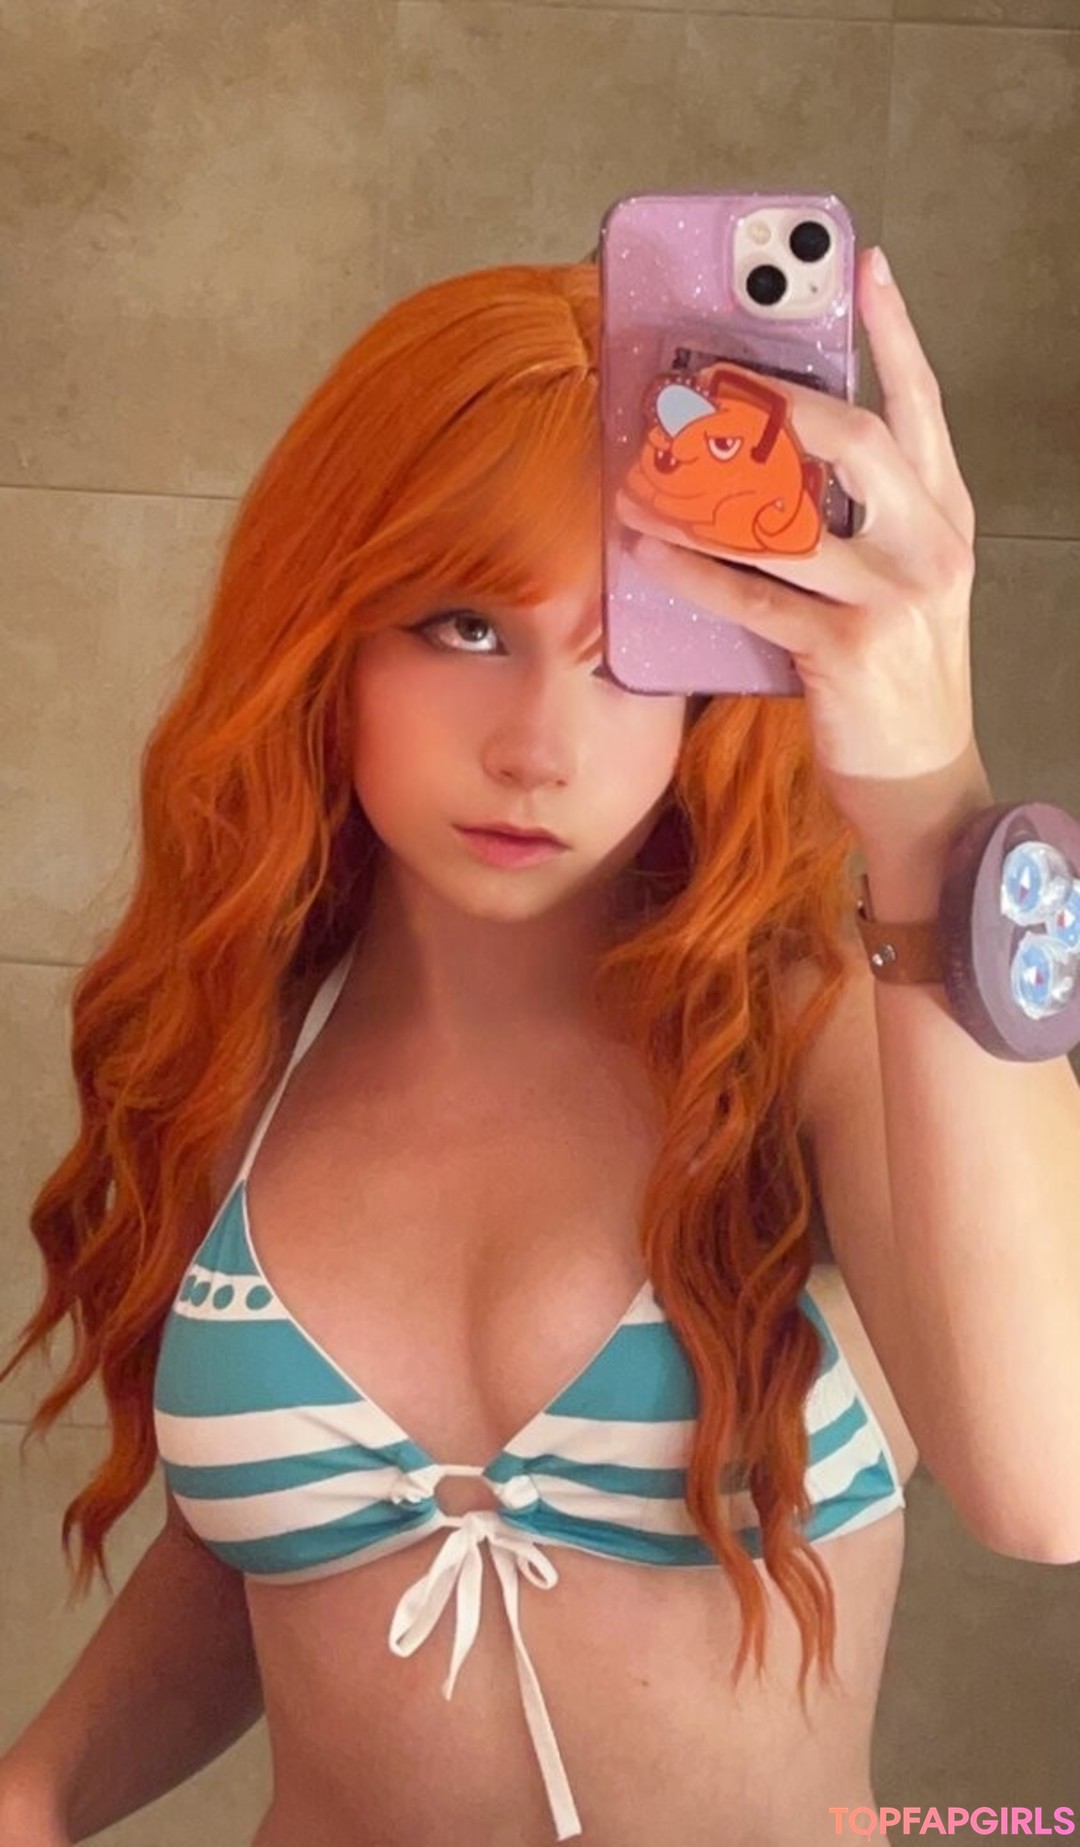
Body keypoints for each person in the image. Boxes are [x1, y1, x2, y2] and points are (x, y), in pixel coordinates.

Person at [0, 252, 1063, 1847]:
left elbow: (1053, 1485)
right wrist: (32, 1793)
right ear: (324, 630)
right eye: (463, 626)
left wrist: (928, 803)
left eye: (629, 653)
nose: (539, 749)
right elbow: (274, 1550)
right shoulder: (241, 1042)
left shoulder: (819, 1029)